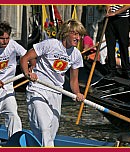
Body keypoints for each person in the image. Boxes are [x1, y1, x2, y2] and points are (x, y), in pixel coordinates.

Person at [20, 19, 86, 147]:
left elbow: (74, 80)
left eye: (79, 35)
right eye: (75, 34)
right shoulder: (50, 44)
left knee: (52, 131)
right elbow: (25, 58)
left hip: (56, 92)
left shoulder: (76, 55)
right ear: (66, 33)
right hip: (38, 88)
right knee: (44, 127)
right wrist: (28, 74)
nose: (78, 38)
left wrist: (78, 93)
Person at [105, 5, 130, 79]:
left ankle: (126, 70)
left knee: (123, 45)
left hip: (122, 19)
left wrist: (115, 13)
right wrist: (108, 10)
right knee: (110, 45)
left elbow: (129, 5)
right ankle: (111, 70)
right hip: (110, 19)